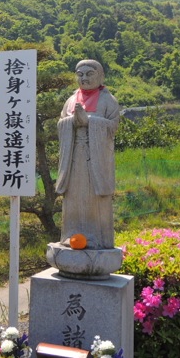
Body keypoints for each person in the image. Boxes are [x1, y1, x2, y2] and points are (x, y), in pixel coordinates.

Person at [56, 60, 120, 249]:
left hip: (96, 158)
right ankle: (70, 235)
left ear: (101, 76)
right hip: (74, 157)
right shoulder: (70, 100)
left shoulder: (108, 100)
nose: (84, 78)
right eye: (80, 74)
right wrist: (71, 123)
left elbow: (113, 126)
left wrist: (89, 121)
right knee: (73, 196)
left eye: (89, 73)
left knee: (94, 198)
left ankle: (98, 238)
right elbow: (61, 123)